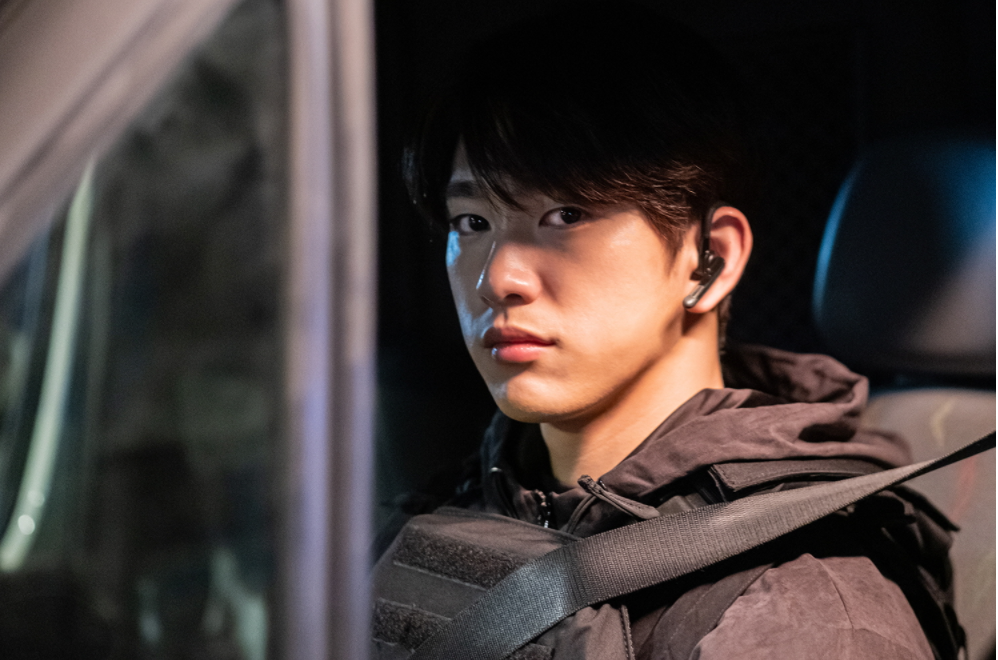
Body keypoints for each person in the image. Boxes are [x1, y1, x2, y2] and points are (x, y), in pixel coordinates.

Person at [376, 3, 958, 658]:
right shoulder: (449, 510)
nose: (498, 278)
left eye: (566, 215)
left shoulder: (804, 613)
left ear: (710, 260)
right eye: (472, 223)